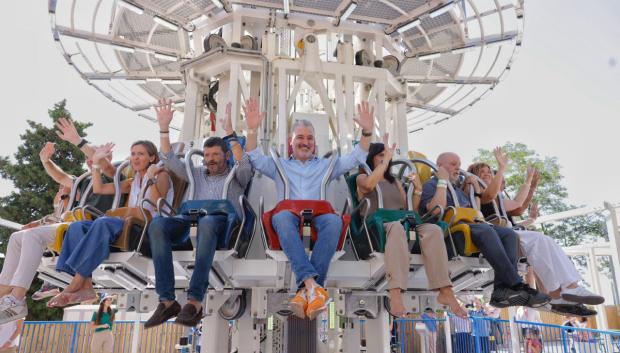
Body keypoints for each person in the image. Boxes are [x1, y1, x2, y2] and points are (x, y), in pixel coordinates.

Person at [246, 101, 374, 320]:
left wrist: (367, 131)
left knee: (334, 222)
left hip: (319, 215)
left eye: (309, 139)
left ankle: (307, 288)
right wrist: (251, 130)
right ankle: (314, 288)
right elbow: (255, 158)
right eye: (300, 138)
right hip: (288, 215)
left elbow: (355, 157)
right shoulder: (279, 165)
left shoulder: (326, 165)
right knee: (283, 218)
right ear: (291, 142)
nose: (305, 143)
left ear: (315, 144)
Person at [144, 99, 253, 328]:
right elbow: (170, 160)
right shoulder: (196, 174)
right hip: (191, 218)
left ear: (225, 156)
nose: (210, 159)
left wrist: (232, 135)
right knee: (157, 225)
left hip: (221, 222)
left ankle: (195, 300)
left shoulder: (236, 174)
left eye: (215, 154)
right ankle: (166, 300)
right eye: (207, 155)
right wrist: (164, 129)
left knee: (207, 223)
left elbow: (244, 163)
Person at [468, 148, 603, 316]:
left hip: (508, 235)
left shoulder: (498, 198)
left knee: (546, 241)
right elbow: (490, 195)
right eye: (483, 172)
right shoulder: (477, 191)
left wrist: (529, 181)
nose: (488, 174)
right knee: (539, 241)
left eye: (490, 171)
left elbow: (518, 203)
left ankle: (566, 290)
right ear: (474, 176)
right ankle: (564, 291)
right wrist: (501, 168)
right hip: (497, 237)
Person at [48, 140, 174, 307]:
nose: (135, 158)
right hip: (127, 222)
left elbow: (158, 201)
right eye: (133, 154)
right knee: (77, 227)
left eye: (141, 154)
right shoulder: (133, 181)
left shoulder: (161, 175)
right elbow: (99, 188)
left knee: (103, 223)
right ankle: (85, 285)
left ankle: (74, 285)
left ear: (152, 158)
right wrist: (97, 165)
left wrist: (151, 178)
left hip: (147, 226)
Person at [420, 152, 549, 308]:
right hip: (449, 234)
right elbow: (434, 210)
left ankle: (501, 291)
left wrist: (474, 190)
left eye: (459, 164)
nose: (458, 168)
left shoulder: (458, 190)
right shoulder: (430, 185)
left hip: (471, 226)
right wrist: (441, 181)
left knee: (509, 234)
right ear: (439, 165)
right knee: (485, 230)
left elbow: (476, 211)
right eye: (453, 164)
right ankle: (516, 284)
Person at [356, 139, 466, 318]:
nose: (387, 159)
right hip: (379, 223)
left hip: (401, 220)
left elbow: (410, 210)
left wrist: (417, 191)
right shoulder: (363, 177)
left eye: (388, 156)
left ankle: (445, 290)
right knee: (397, 229)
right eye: (382, 156)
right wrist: (385, 164)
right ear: (372, 159)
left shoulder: (395, 182)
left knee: (433, 230)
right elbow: (368, 186)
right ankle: (395, 292)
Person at [0, 182, 70, 324]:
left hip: (71, 232)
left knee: (31, 235)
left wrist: (64, 199)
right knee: (16, 237)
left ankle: (17, 298)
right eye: (59, 187)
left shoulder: (76, 195)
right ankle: (3, 290)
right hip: (58, 229)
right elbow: (54, 218)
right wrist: (38, 221)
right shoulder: (62, 202)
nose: (60, 189)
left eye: (63, 186)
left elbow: (63, 218)